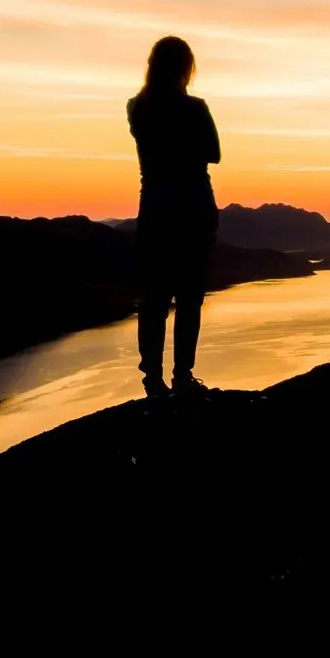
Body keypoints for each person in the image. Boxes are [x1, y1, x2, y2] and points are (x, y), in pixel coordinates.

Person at [128, 36, 220, 397]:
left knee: (153, 298)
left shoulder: (137, 108)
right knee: (189, 296)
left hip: (154, 207)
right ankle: (182, 377)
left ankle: (152, 380)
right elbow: (213, 153)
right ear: (185, 68)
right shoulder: (195, 108)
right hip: (192, 205)